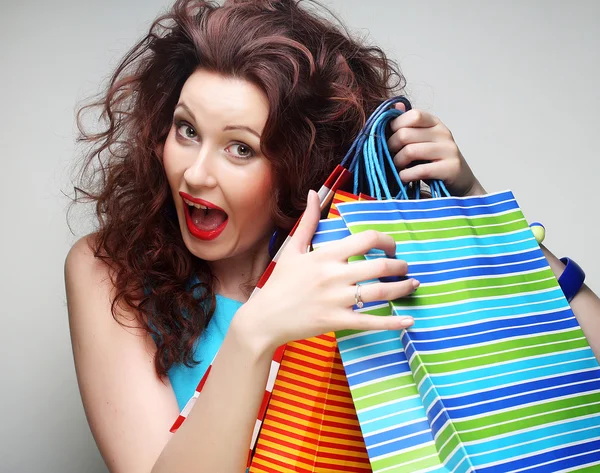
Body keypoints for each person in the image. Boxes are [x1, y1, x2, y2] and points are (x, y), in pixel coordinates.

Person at [65, 1, 600, 472]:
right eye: (187, 130)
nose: (195, 174)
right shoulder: (107, 268)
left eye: (241, 148)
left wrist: (473, 210)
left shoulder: (361, 261)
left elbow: (579, 369)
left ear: (297, 165)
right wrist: (255, 335)